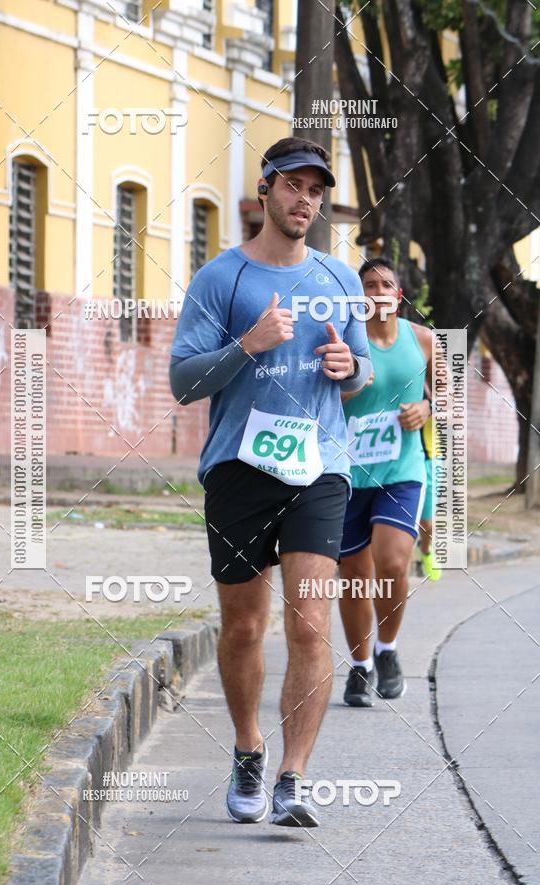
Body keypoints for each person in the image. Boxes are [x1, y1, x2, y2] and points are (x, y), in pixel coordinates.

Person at [169, 136, 372, 827]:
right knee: (244, 627)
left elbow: (365, 369)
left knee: (311, 625)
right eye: (293, 187)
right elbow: (182, 381)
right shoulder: (220, 279)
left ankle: (293, 778)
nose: (304, 202)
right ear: (266, 191)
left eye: (316, 192)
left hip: (320, 468)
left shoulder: (341, 280)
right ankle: (249, 748)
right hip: (238, 469)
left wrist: (352, 368)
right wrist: (246, 345)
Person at [338, 257, 433, 707]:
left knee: (393, 562)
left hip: (402, 472)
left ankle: (387, 651)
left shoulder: (425, 341)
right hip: (347, 474)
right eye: (368, 284)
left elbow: (450, 407)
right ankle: (360, 666)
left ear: (398, 295)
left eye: (386, 284)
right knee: (354, 575)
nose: (378, 290)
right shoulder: (342, 341)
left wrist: (428, 409)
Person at [417, 416, 442, 581]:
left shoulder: (440, 391)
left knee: (427, 522)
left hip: (431, 461)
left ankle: (425, 550)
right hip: (401, 460)